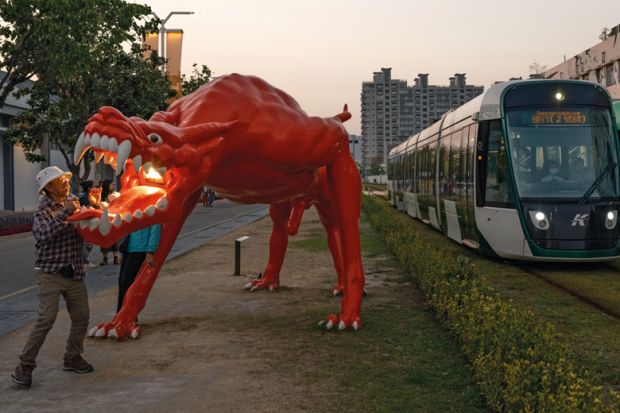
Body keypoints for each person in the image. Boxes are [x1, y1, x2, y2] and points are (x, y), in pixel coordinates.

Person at [12, 166, 94, 388]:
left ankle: (72, 357)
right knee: (45, 319)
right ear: (48, 187)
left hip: (75, 271)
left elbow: (86, 227)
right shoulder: (44, 207)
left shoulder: (74, 200)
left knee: (81, 317)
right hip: (51, 273)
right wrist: (66, 214)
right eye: (60, 181)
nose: (66, 183)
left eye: (65, 179)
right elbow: (41, 234)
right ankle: (25, 365)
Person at [117, 224, 161, 314]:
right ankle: (120, 314)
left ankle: (126, 314)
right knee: (122, 282)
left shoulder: (152, 210)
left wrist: (150, 251)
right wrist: (121, 250)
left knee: (127, 283)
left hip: (140, 250)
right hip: (128, 249)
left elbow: (155, 228)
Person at [76, 181, 97, 268]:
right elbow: (89, 209)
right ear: (89, 188)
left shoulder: (80, 195)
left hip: (81, 221)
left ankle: (83, 260)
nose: (93, 189)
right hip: (86, 221)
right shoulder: (85, 197)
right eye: (92, 187)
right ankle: (84, 261)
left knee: (85, 242)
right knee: (88, 242)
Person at [99, 180, 119, 265]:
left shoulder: (115, 194)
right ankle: (105, 258)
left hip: (113, 218)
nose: (114, 186)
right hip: (104, 218)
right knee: (104, 239)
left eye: (114, 184)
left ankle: (116, 258)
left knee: (114, 239)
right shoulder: (102, 195)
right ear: (108, 185)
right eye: (112, 184)